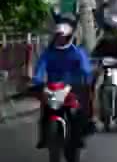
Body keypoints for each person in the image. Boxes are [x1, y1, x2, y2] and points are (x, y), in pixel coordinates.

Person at [33, 18, 93, 149]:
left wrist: (87, 76)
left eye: (63, 37)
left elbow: (86, 68)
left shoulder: (77, 52)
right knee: (45, 112)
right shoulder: (48, 53)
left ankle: (79, 137)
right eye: (58, 36)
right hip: (52, 88)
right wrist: (37, 80)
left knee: (77, 113)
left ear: (69, 37)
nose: (60, 39)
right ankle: (43, 137)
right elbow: (40, 68)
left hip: (73, 88)